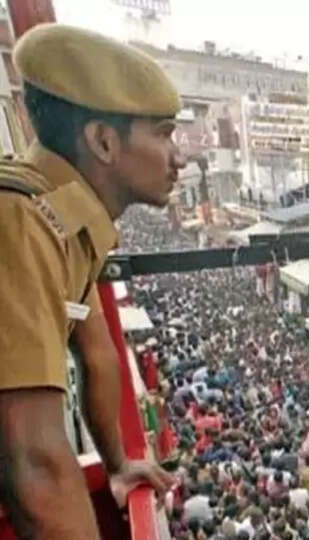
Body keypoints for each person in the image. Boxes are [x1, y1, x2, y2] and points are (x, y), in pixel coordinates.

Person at [0, 23, 183, 538]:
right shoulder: (21, 223)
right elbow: (34, 462)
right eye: (164, 133)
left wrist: (119, 462)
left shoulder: (66, 221)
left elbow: (98, 352)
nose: (179, 157)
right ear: (104, 141)